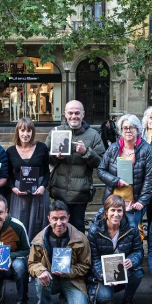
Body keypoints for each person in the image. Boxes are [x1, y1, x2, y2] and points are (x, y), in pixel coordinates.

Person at [28, 201, 91, 304]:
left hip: (71, 279)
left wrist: (68, 271)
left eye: (62, 218)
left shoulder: (80, 238)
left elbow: (86, 265)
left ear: (68, 217)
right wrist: (41, 271)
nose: (59, 223)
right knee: (41, 279)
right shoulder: (39, 240)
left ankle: (65, 297)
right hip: (50, 278)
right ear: (49, 219)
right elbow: (31, 263)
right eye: (55, 219)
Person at [45, 100, 105, 233]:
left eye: (77, 113)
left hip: (80, 192)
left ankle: (79, 253)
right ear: (65, 114)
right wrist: (56, 157)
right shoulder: (56, 132)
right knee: (59, 227)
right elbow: (44, 158)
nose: (74, 116)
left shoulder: (93, 135)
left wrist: (86, 152)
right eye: (70, 113)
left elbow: (101, 162)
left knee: (78, 227)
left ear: (83, 114)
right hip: (59, 191)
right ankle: (60, 253)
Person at [87, 195, 143, 304]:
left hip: (123, 268)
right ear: (106, 212)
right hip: (103, 271)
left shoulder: (131, 228)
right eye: (113, 210)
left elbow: (138, 250)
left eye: (119, 210)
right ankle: (101, 302)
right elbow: (93, 259)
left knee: (138, 273)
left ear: (123, 212)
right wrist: (102, 275)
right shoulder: (95, 231)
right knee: (105, 296)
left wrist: (132, 260)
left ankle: (127, 301)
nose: (116, 214)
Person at [98, 114, 152, 231]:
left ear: (137, 129)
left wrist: (142, 201)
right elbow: (101, 170)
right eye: (125, 128)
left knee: (132, 235)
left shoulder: (146, 150)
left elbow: (151, 178)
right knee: (112, 234)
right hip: (113, 203)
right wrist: (116, 181)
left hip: (134, 204)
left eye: (132, 127)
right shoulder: (114, 148)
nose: (128, 130)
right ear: (121, 130)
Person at [7, 118, 50, 240]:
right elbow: (8, 175)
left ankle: (37, 250)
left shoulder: (41, 147)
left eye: (29, 131)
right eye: (22, 130)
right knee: (20, 221)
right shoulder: (10, 151)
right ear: (17, 132)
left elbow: (47, 172)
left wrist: (43, 187)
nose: (25, 134)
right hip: (19, 194)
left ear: (33, 132)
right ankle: (22, 253)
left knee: (38, 222)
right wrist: (13, 188)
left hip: (39, 193)